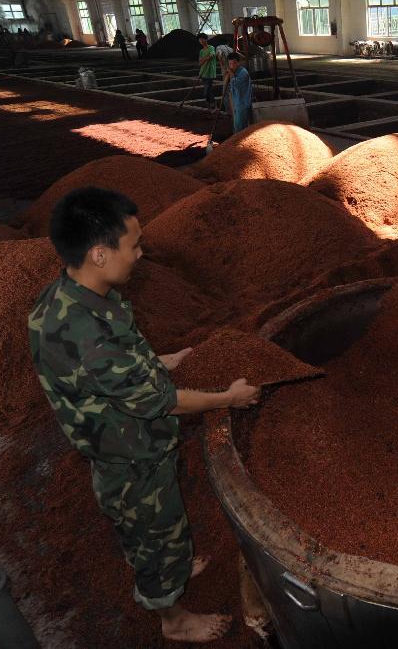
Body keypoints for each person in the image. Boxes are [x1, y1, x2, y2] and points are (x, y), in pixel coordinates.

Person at [28, 187, 260, 643]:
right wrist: (228, 398)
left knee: (153, 529)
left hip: (122, 439)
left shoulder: (71, 298)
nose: (140, 253)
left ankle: (169, 564)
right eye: (133, 244)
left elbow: (117, 362)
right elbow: (165, 402)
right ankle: (172, 616)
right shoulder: (91, 336)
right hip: (130, 454)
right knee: (153, 533)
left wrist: (160, 360)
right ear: (99, 252)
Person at [227, 52, 253, 133]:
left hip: (243, 104)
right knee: (237, 127)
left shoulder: (243, 73)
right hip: (236, 104)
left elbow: (236, 84)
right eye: (230, 63)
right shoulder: (234, 73)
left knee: (241, 129)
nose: (232, 66)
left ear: (238, 62)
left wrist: (231, 75)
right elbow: (230, 89)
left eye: (234, 63)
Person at [197, 33, 217, 112]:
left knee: (206, 91)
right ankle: (211, 107)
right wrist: (205, 59)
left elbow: (212, 56)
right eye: (199, 39)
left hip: (210, 73)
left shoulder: (211, 48)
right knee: (209, 90)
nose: (201, 41)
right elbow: (200, 63)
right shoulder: (201, 51)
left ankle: (213, 105)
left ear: (206, 39)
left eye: (202, 39)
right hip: (203, 73)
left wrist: (204, 59)